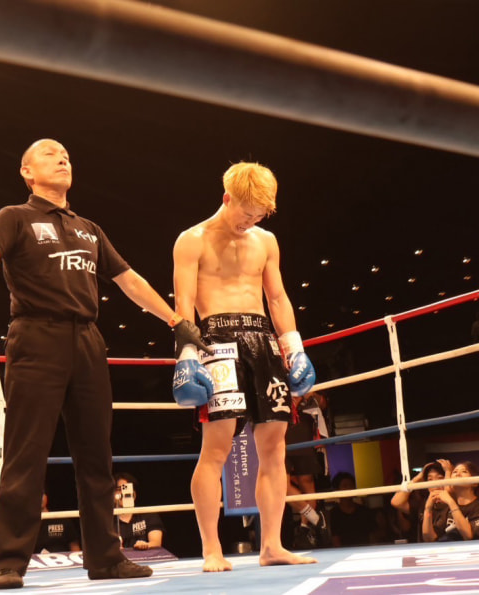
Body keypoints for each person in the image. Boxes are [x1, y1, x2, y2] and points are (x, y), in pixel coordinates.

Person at [0, 138, 211, 590]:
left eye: (65, 154)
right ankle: (9, 562)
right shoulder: (14, 216)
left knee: (96, 455)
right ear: (27, 171)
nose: (62, 158)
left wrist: (176, 321)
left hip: (87, 339)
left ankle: (106, 557)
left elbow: (129, 280)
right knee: (26, 452)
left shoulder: (88, 228)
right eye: (49, 154)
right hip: (35, 336)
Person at [173, 161, 318, 572]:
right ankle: (212, 549)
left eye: (259, 215)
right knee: (216, 448)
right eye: (246, 212)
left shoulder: (266, 241)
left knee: (274, 448)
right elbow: (184, 304)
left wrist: (294, 347)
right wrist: (187, 354)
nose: (250, 221)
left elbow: (277, 298)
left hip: (263, 341)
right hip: (216, 341)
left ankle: (271, 545)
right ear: (227, 198)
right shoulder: (192, 240)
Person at [285, 391, 329, 548]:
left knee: (307, 481)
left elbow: (323, 404)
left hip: (304, 429)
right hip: (281, 429)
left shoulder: (307, 376)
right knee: (281, 485)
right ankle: (315, 518)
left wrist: (311, 393)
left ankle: (305, 529)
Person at [391, 459, 449, 542]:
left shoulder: (454, 503)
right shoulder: (423, 504)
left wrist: (448, 472)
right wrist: (418, 477)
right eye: (430, 479)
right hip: (424, 549)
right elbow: (396, 502)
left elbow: (431, 539)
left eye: (440, 478)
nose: (435, 483)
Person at [421, 461, 479, 542]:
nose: (458, 474)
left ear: (475, 483)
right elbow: (429, 538)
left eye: (464, 471)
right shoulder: (447, 508)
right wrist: (428, 509)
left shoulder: (476, 506)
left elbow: (468, 536)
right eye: (455, 472)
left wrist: (451, 502)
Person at [114, 472, 165, 550]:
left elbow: (156, 542)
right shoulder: (106, 519)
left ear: (134, 493)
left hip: (145, 556)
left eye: (126, 488)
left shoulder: (148, 514)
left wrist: (146, 545)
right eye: (119, 489)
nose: (123, 493)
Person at [328, 472, 377, 547]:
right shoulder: (334, 514)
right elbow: (335, 541)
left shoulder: (364, 511)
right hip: (343, 552)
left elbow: (372, 537)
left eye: (351, 485)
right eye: (345, 486)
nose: (349, 488)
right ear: (337, 490)